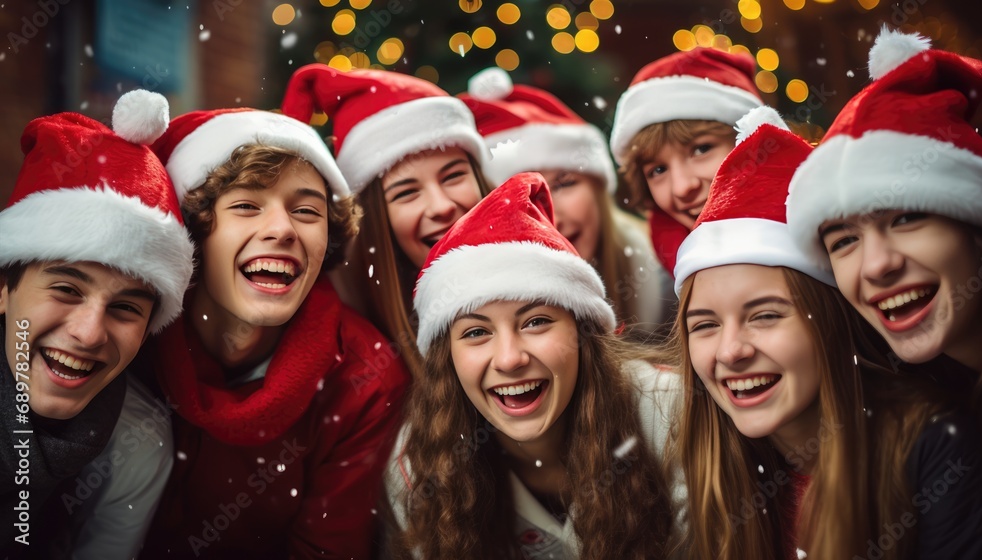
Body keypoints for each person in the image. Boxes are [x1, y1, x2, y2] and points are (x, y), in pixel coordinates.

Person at [673, 105, 982, 559]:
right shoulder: (706, 464)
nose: (731, 351)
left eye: (765, 315)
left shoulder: (932, 444)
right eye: (704, 325)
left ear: (831, 321)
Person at [141, 104, 410, 559]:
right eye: (246, 205)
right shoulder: (127, 331)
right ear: (193, 230)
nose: (282, 229)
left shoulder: (366, 377)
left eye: (307, 211)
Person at [384, 173, 685, 559]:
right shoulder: (417, 467)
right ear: (448, 358)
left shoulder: (671, 413)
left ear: (584, 333)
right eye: (476, 332)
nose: (510, 359)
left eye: (536, 322)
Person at [786, 28, 982, 497]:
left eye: (905, 218)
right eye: (843, 242)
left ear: (979, 230)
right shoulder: (921, 418)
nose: (876, 265)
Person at [0, 90, 194, 557]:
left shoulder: (137, 445)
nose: (89, 333)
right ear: (4, 290)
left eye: (127, 308)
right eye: (66, 289)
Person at [282, 64, 491, 374]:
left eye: (453, 176)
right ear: (374, 222)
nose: (441, 206)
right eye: (406, 193)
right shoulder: (361, 363)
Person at [457, 67, 673, 336]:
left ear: (598, 190)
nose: (552, 216)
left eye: (565, 184)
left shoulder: (667, 278)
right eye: (522, 195)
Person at [609, 47, 763, 279]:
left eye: (701, 150)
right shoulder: (665, 288)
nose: (682, 187)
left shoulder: (827, 238)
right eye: (658, 170)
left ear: (751, 141)